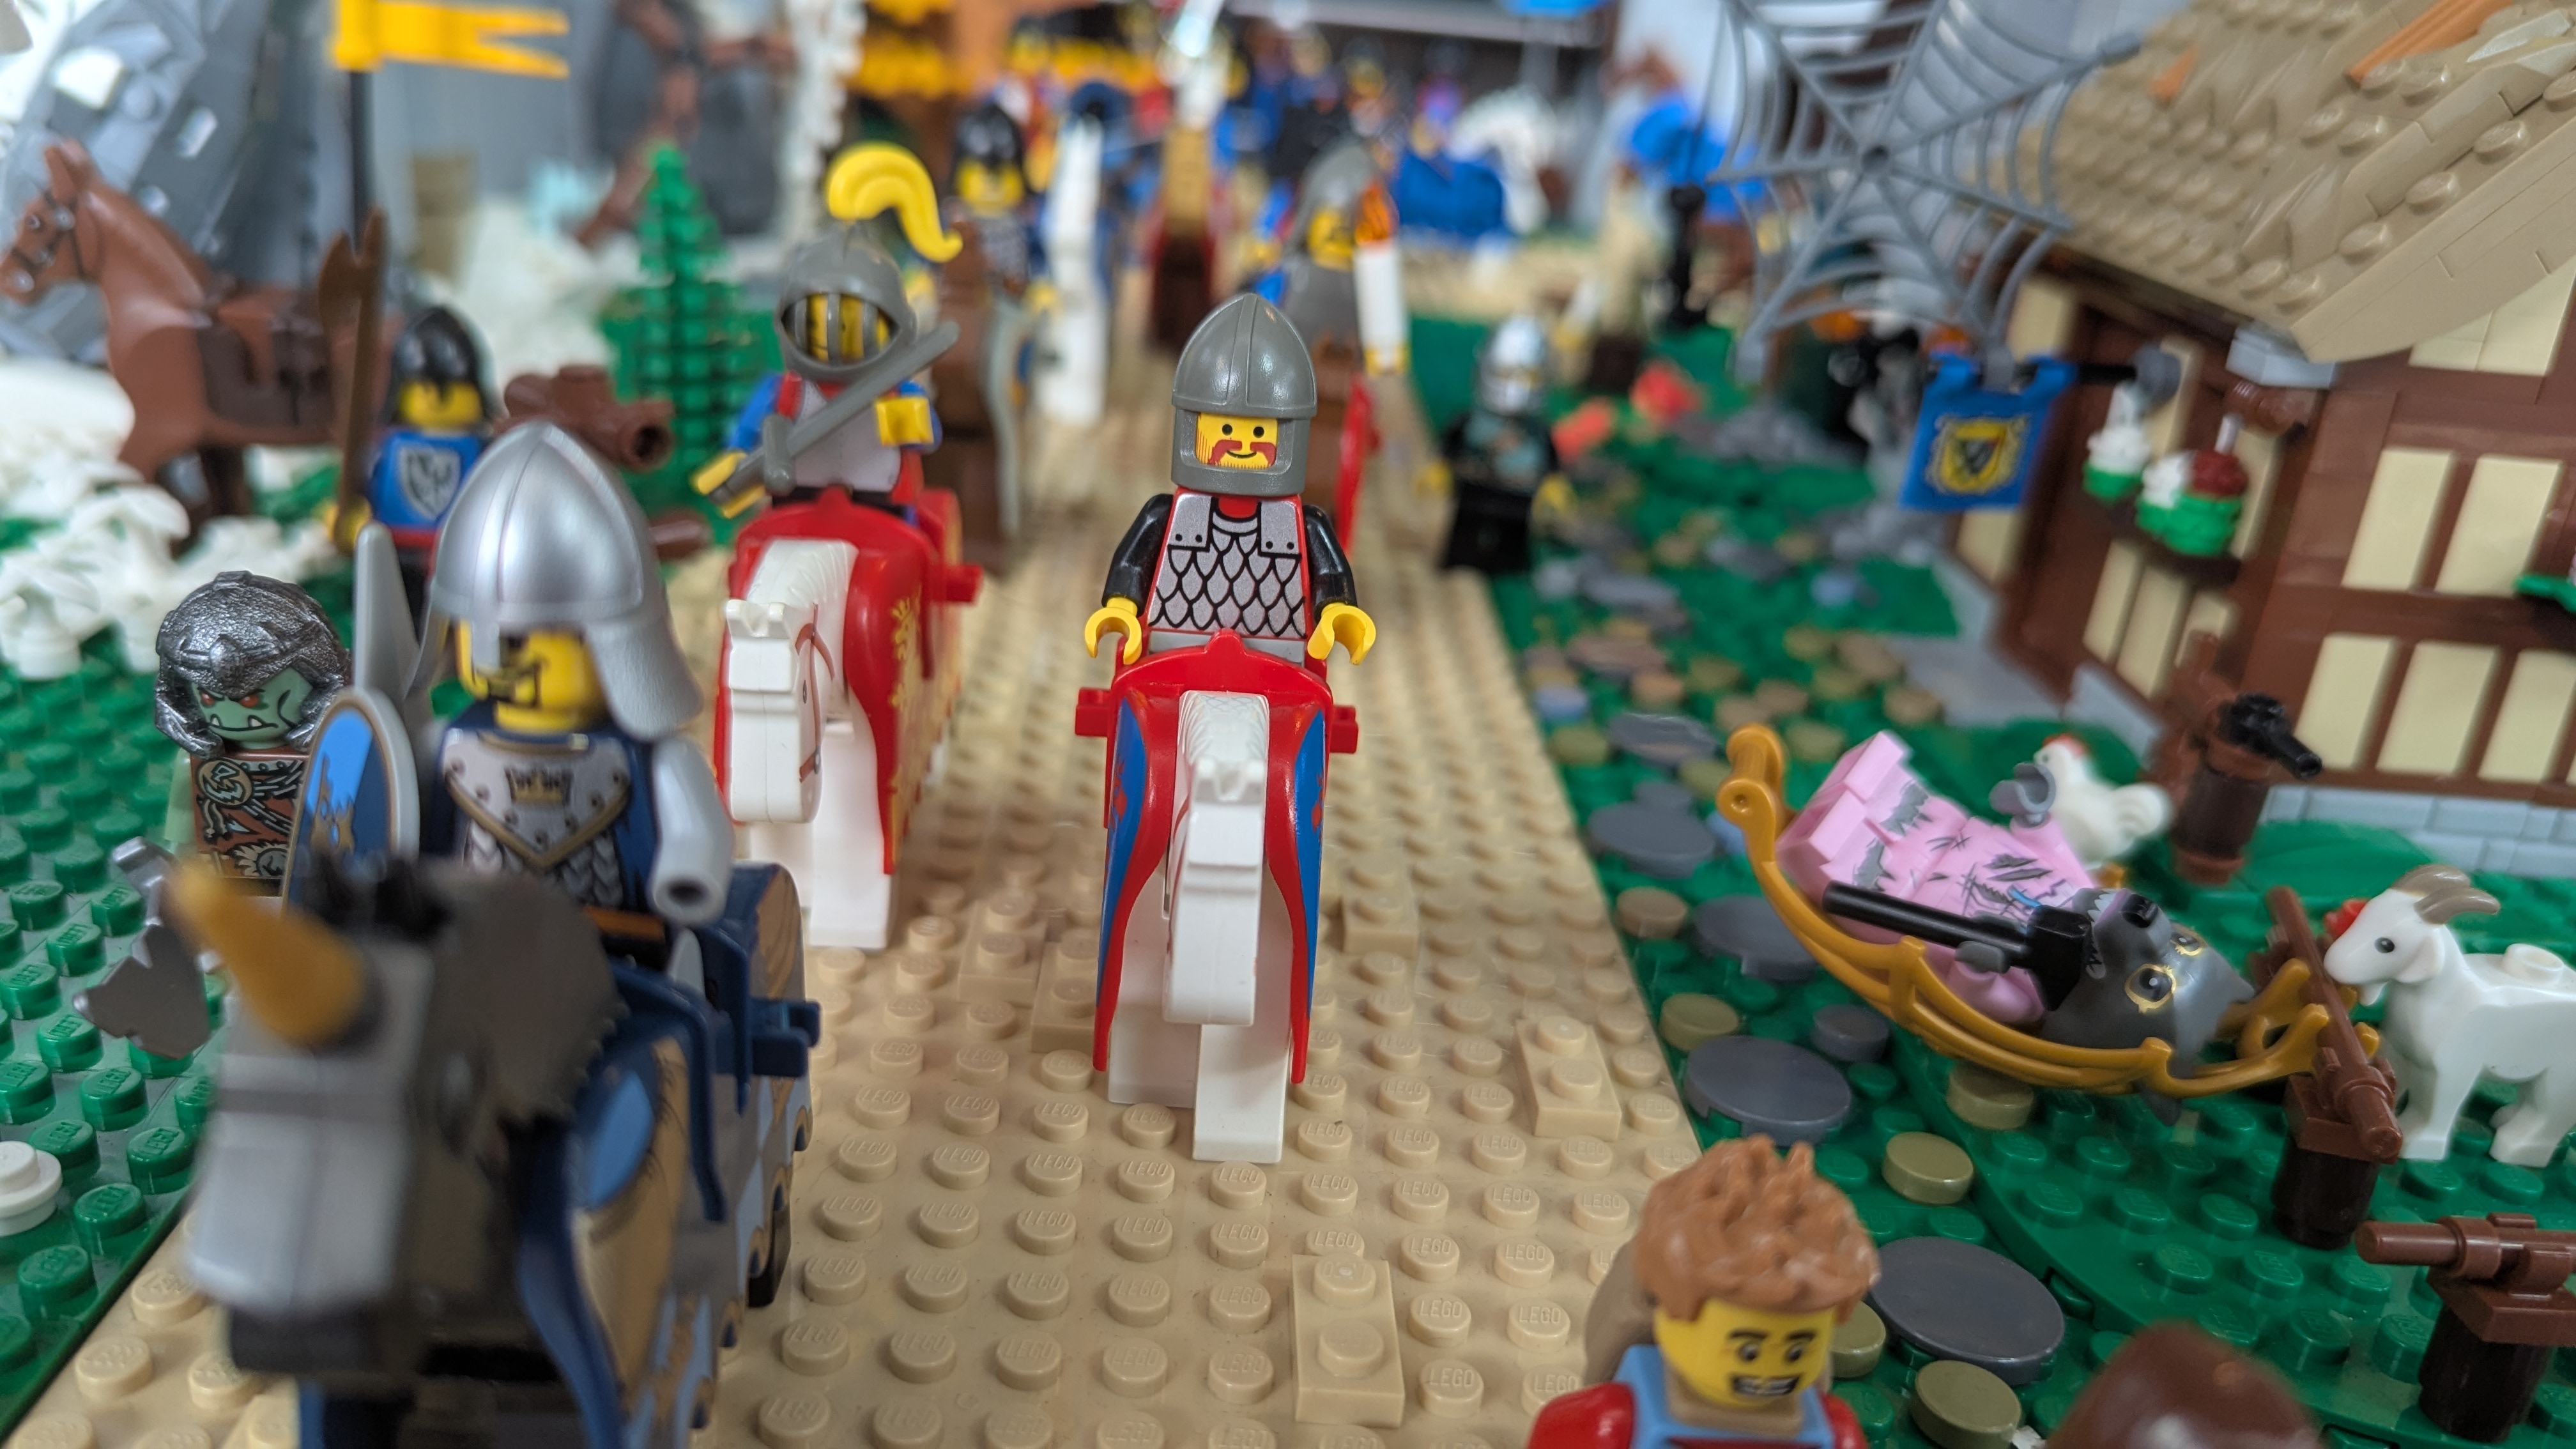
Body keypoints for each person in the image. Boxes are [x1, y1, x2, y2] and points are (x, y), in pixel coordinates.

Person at [417, 424, 732, 947]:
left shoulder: (656, 759)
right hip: (479, 946)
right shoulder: (444, 747)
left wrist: (686, 874)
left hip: (619, 944)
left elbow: (697, 833)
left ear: (614, 643)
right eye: (486, 636)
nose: (502, 658)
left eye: (530, 639)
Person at [1085, 292, 1372, 670]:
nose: (1242, 445)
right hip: (1172, 649)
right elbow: (1133, 564)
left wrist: (1337, 610)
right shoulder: (1166, 514)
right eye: (1225, 429)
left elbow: (1331, 574)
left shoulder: (1306, 524)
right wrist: (1122, 609)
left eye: (1259, 432)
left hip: (1278, 659)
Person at [1533, 1137, 1878, 1449]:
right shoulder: (1612, 1420)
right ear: (1670, 1310)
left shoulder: (1834, 1431)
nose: (1768, 1374)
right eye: (1748, 1351)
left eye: (1798, 1351)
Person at [155, 572, 349, 889]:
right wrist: (178, 868)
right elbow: (182, 827)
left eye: (251, 700)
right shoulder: (194, 763)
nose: (234, 715)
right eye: (209, 699)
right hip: (232, 883)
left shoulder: (327, 760)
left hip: (316, 880)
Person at [364, 307, 492, 606]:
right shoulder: (388, 447)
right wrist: (357, 512)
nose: (437, 399)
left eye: (454, 389)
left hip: (462, 547)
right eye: (424, 387)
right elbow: (368, 482)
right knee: (400, 602)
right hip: (398, 545)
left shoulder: (481, 448)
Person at [1436, 313, 1568, 573]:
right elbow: (1453, 440)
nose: (1515, 385)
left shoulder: (1534, 429)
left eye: (1528, 376)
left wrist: (1553, 482)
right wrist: (1441, 466)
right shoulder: (1475, 421)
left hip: (1519, 493)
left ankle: (1509, 569)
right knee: (1464, 539)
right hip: (1475, 487)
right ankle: (1459, 563)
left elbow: (1550, 453)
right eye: (1505, 373)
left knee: (1512, 544)